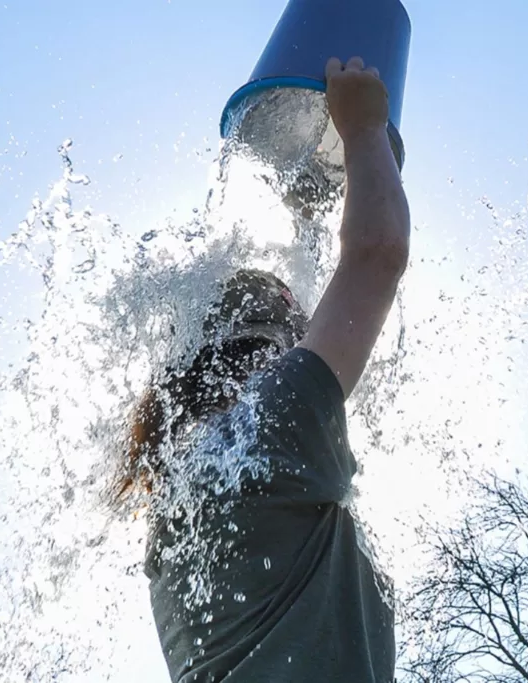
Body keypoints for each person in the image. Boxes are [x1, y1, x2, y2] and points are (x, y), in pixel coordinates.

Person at [116, 56, 411, 683]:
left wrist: (315, 204)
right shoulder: (271, 427)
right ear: (278, 343)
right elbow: (376, 258)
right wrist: (363, 129)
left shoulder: (176, 511)